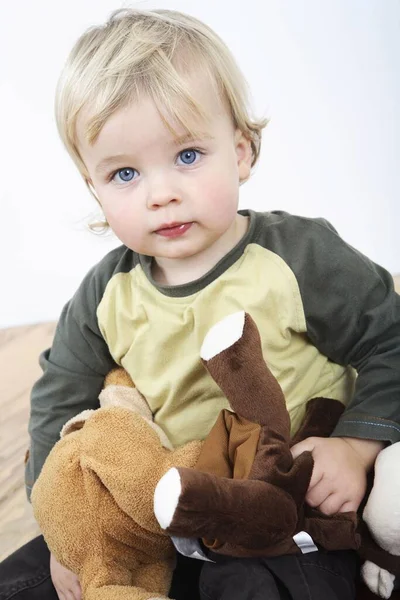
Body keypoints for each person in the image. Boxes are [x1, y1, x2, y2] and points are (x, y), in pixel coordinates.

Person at [1, 7, 399, 600]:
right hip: (167, 504)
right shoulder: (105, 293)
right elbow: (58, 399)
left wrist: (356, 445)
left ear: (241, 151)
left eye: (187, 156)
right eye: (125, 173)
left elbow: (390, 338)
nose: (161, 193)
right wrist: (67, 537)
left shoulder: (298, 256)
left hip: (289, 502)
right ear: (93, 186)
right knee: (24, 582)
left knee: (259, 585)